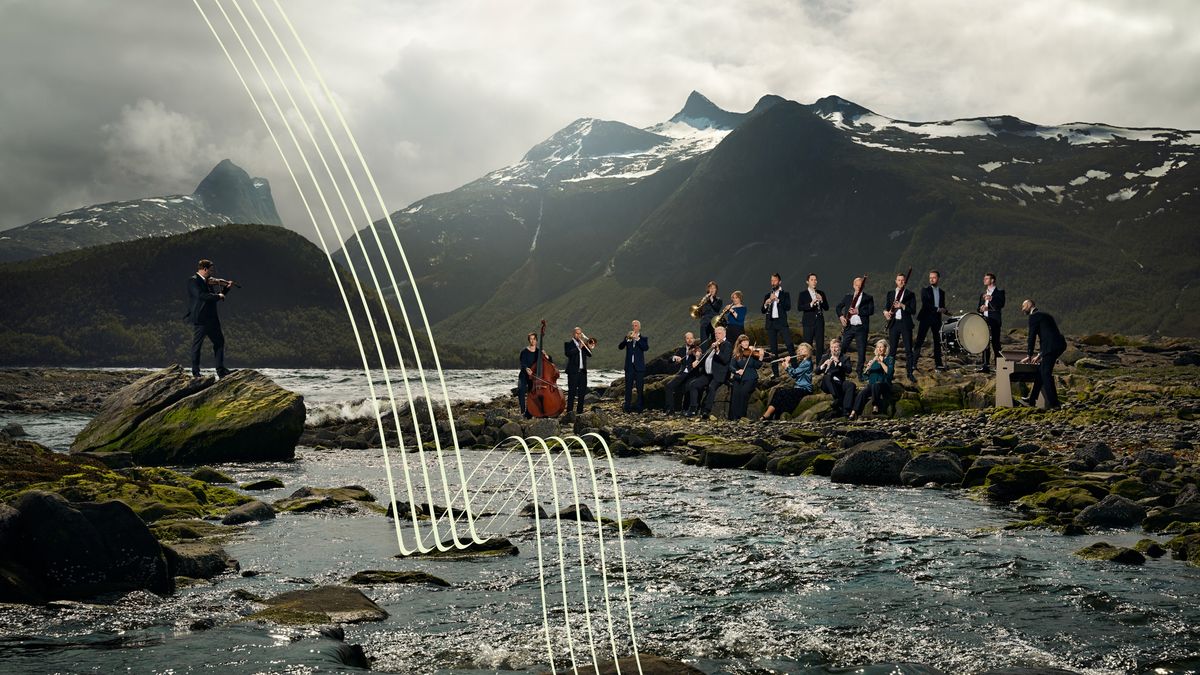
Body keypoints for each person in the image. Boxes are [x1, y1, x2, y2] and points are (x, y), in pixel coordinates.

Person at [187, 259, 232, 379]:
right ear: (205, 269)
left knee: (219, 342)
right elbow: (201, 296)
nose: (212, 273)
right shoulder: (193, 281)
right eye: (211, 270)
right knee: (197, 346)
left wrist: (226, 289)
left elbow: (215, 298)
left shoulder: (208, 282)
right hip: (201, 319)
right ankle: (196, 373)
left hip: (212, 319)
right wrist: (218, 295)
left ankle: (221, 370)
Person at [1020, 299, 1067, 408]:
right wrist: (1040, 355)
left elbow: (1031, 337)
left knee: (1045, 374)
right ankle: (1031, 400)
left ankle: (1055, 404)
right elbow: (1048, 335)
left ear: (1029, 305)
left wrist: (1029, 355)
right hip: (1059, 345)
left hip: (1051, 347)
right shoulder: (1046, 315)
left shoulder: (1034, 316)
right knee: (1041, 371)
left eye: (1023, 306)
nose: (1022, 309)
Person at [686, 324, 732, 417]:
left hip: (719, 375)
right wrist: (697, 360)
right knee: (693, 385)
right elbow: (705, 357)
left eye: (719, 333)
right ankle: (693, 408)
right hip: (708, 374)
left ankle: (706, 410)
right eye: (715, 333)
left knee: (711, 387)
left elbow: (725, 360)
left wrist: (717, 350)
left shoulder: (727, 344)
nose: (717, 335)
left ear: (724, 333)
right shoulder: (713, 344)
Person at [761, 343, 814, 421]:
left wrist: (787, 365)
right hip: (798, 388)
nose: (801, 351)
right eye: (800, 350)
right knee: (778, 391)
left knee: (782, 393)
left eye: (804, 349)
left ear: (808, 352)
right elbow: (795, 375)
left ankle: (768, 415)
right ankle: (772, 414)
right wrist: (786, 365)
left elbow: (794, 373)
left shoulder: (807, 363)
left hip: (805, 389)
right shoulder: (803, 362)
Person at [836, 276, 875, 380]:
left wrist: (858, 311)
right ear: (853, 286)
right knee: (842, 348)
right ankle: (839, 368)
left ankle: (859, 373)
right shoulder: (848, 297)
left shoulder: (868, 297)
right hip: (849, 327)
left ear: (863, 286)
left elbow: (871, 311)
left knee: (861, 352)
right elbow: (838, 307)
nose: (859, 287)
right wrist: (841, 317)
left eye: (861, 285)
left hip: (861, 328)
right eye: (857, 285)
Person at [884, 272, 917, 383]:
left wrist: (902, 306)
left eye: (903, 280)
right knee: (892, 350)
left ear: (905, 281)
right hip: (893, 324)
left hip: (905, 324)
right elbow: (886, 308)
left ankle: (909, 373)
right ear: (896, 281)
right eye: (899, 280)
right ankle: (890, 372)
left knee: (908, 350)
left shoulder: (910, 294)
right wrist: (886, 313)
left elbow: (913, 310)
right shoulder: (890, 293)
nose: (901, 282)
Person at [850, 340, 894, 420]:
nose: (879, 349)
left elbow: (889, 373)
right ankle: (854, 412)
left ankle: (875, 405)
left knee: (876, 384)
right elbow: (865, 377)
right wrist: (867, 368)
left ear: (885, 348)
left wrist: (881, 362)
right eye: (878, 347)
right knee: (862, 393)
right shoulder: (873, 360)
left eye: (881, 347)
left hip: (883, 384)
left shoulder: (889, 359)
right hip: (872, 384)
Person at [914, 269, 948, 372]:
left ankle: (938, 364)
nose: (931, 279)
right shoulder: (925, 290)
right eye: (930, 278)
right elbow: (926, 304)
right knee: (919, 340)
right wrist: (938, 309)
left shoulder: (942, 292)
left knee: (937, 342)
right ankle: (913, 363)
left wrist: (944, 310)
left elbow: (941, 305)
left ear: (938, 278)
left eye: (933, 277)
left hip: (937, 319)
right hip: (925, 318)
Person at [762, 273, 794, 376]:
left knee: (789, 344)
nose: (773, 283)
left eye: (775, 281)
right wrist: (766, 303)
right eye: (771, 281)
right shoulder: (767, 295)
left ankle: (796, 367)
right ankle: (775, 373)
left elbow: (788, 307)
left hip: (781, 323)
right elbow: (762, 310)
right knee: (773, 349)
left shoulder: (785, 294)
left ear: (779, 282)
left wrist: (777, 300)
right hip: (771, 324)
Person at [816, 338, 857, 417]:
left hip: (839, 382)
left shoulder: (844, 358)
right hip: (827, 384)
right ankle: (837, 398)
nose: (834, 349)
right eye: (832, 347)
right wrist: (823, 365)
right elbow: (817, 371)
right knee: (827, 376)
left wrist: (839, 362)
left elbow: (849, 370)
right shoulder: (825, 357)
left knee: (851, 385)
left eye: (836, 347)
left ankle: (846, 410)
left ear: (840, 348)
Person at [727, 335, 764, 420]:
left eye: (747, 341)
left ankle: (742, 416)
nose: (746, 343)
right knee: (736, 393)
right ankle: (733, 417)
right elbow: (731, 366)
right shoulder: (737, 354)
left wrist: (761, 357)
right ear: (740, 344)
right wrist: (737, 371)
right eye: (743, 341)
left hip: (751, 377)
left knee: (743, 392)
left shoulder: (751, 353)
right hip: (739, 378)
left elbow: (757, 366)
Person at [664, 332, 701, 414]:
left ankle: (689, 409)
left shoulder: (697, 349)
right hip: (682, 373)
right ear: (685, 340)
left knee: (688, 386)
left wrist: (697, 358)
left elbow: (698, 355)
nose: (690, 340)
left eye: (691, 338)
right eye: (688, 338)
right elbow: (669, 360)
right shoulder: (681, 349)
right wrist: (675, 357)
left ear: (694, 339)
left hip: (692, 373)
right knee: (669, 386)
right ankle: (670, 409)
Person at [618, 320, 649, 413]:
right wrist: (626, 340)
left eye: (636, 326)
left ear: (639, 327)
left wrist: (637, 339)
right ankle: (627, 407)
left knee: (640, 388)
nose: (634, 327)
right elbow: (620, 347)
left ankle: (640, 407)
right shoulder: (628, 338)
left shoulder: (643, 338)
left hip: (639, 368)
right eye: (633, 326)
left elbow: (645, 348)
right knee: (628, 387)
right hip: (629, 367)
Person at [977, 272, 1006, 373]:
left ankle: (1000, 366)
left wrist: (991, 299)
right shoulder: (982, 294)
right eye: (984, 278)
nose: (984, 280)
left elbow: (1001, 304)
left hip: (994, 320)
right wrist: (981, 308)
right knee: (984, 342)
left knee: (995, 343)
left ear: (992, 280)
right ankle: (985, 365)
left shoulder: (1000, 292)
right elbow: (978, 308)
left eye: (986, 279)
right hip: (984, 320)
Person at [563, 326, 593, 415]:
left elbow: (590, 354)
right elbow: (568, 353)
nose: (579, 335)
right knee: (572, 392)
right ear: (573, 334)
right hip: (573, 372)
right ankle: (569, 412)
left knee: (582, 393)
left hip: (582, 372)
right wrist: (578, 348)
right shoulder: (568, 344)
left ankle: (580, 412)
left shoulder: (583, 345)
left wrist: (588, 345)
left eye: (580, 333)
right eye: (577, 333)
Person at [800, 273, 829, 363]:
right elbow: (800, 307)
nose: (814, 281)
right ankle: (807, 365)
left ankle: (819, 366)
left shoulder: (821, 293)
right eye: (812, 280)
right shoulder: (803, 294)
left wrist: (822, 300)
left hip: (819, 322)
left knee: (820, 345)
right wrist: (811, 304)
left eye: (815, 280)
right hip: (808, 322)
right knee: (807, 345)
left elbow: (826, 307)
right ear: (807, 282)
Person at [517, 332, 539, 418]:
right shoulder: (524, 351)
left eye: (534, 339)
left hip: (533, 377)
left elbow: (547, 362)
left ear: (536, 340)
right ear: (528, 340)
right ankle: (522, 411)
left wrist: (547, 356)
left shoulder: (538, 352)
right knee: (521, 390)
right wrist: (526, 368)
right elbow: (522, 363)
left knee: (532, 394)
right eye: (531, 339)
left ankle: (530, 411)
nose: (532, 341)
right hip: (524, 375)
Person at [698, 281, 722, 346]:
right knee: (704, 342)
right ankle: (704, 355)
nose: (712, 289)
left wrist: (711, 299)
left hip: (714, 323)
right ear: (708, 289)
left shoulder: (718, 300)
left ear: (716, 290)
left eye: (714, 288)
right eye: (710, 288)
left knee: (715, 341)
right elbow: (700, 313)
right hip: (704, 323)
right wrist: (700, 307)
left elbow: (717, 308)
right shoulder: (704, 300)